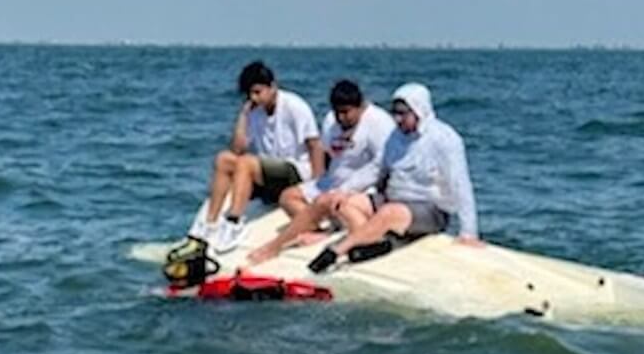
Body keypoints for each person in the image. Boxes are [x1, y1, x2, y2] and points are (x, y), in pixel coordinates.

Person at [305, 82, 484, 273]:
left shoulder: (444, 139)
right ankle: (376, 244)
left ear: (419, 111)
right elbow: (375, 169)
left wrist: (469, 232)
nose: (397, 119)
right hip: (393, 200)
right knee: (347, 204)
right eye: (395, 113)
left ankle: (336, 251)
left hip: (430, 209)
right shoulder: (395, 137)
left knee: (389, 213)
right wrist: (343, 191)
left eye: (403, 113)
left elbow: (461, 185)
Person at [246, 79, 394, 264]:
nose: (341, 118)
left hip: (364, 186)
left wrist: (346, 189)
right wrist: (319, 181)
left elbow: (380, 167)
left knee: (324, 202)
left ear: (360, 106)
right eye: (338, 112)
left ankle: (274, 247)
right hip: (333, 180)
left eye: (346, 112)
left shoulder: (379, 123)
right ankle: (321, 231)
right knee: (288, 197)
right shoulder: (332, 120)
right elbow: (328, 153)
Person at [187, 60, 322, 251]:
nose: (254, 98)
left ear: (272, 87)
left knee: (246, 163)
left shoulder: (294, 106)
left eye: (258, 92)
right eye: (250, 94)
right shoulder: (254, 111)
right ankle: (210, 223)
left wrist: (317, 186)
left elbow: (314, 146)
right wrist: (243, 116)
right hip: (267, 171)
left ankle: (233, 223)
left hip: (295, 171)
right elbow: (237, 149)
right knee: (223, 159)